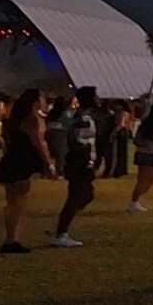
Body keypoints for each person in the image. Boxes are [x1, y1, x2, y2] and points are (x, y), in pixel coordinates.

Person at [0, 88, 55, 254]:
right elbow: (39, 142)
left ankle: (10, 239)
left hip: (9, 162)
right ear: (36, 102)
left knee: (11, 202)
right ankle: (11, 240)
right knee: (19, 204)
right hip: (22, 163)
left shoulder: (13, 119)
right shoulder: (33, 120)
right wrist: (48, 164)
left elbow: (6, 140)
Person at [49, 87, 100, 247]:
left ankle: (61, 230)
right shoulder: (81, 118)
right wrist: (84, 158)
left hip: (81, 159)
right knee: (77, 196)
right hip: (80, 161)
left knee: (85, 194)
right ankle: (61, 233)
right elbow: (75, 139)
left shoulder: (82, 116)